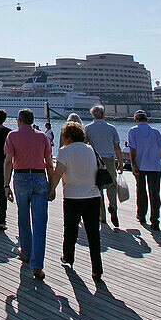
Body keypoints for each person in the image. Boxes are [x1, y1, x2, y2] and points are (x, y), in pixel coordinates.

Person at [4, 108, 55, 280]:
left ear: (19, 120)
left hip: (21, 177)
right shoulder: (42, 137)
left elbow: (8, 162)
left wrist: (5, 185)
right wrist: (53, 186)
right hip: (40, 178)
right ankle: (37, 265)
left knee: (23, 216)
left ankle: (26, 251)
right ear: (32, 121)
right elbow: (49, 163)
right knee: (40, 222)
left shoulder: (12, 136)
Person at [53, 121, 103, 282]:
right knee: (93, 234)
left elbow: (58, 173)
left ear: (66, 136)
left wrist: (50, 189)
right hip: (93, 196)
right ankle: (97, 269)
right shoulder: (90, 149)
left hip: (72, 197)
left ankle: (68, 257)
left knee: (70, 230)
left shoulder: (64, 151)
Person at [85, 105, 122, 228]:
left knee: (98, 186)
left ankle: (102, 216)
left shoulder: (88, 128)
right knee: (112, 184)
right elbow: (117, 147)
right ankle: (113, 206)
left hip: (95, 160)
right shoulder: (111, 128)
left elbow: (85, 145)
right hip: (109, 159)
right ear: (103, 114)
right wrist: (121, 162)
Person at [127, 110, 161, 230]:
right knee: (155, 193)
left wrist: (133, 165)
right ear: (147, 119)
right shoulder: (155, 131)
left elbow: (132, 149)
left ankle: (141, 215)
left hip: (140, 165)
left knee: (141, 191)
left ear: (135, 119)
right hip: (155, 166)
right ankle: (155, 219)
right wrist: (157, 159)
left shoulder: (133, 131)